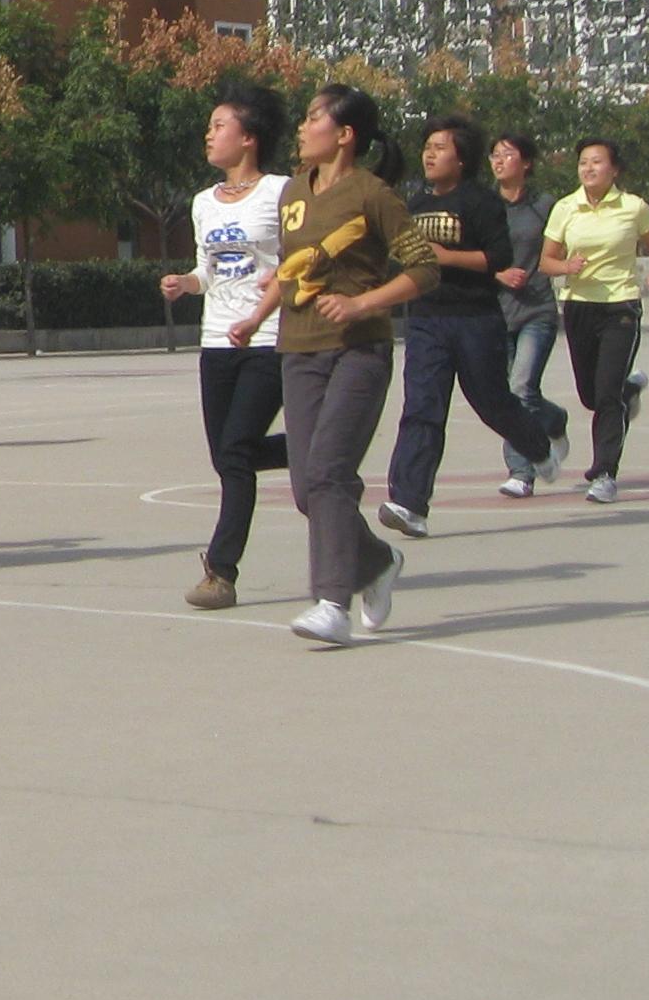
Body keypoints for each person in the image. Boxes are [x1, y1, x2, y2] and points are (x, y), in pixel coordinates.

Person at [227, 85, 439, 647]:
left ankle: (332, 604)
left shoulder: (373, 194)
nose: (302, 127)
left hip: (357, 352)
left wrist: (363, 303)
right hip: (298, 351)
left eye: (313, 117)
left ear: (345, 135)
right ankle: (376, 561)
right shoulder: (294, 191)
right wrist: (256, 317)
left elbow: (424, 268)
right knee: (307, 489)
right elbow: (293, 268)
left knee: (328, 474)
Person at [381, 116, 567, 538]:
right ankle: (410, 503)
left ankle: (538, 447)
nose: (430, 155)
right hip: (426, 319)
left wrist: (445, 257)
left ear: (461, 158)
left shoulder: (481, 202)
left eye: (440, 147)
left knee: (492, 402)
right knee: (422, 408)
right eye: (427, 147)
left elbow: (498, 258)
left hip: (475, 319)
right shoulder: (416, 204)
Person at [157, 86, 294, 608]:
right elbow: (207, 271)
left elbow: (301, 256)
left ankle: (221, 571)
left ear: (249, 137)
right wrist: (185, 283)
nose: (209, 135)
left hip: (269, 337)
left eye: (219, 126)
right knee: (228, 456)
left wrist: (279, 284)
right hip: (216, 340)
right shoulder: (202, 203)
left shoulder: (281, 191)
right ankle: (310, 446)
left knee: (236, 452)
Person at [542, 138, 649, 506]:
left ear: (614, 169)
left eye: (597, 162)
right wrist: (565, 266)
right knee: (590, 395)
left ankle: (604, 474)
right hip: (579, 307)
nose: (588, 168)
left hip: (620, 306)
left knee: (606, 397)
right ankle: (629, 391)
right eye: (583, 162)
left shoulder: (633, 207)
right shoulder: (565, 208)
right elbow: (546, 261)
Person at [492, 135, 567, 502]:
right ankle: (553, 420)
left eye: (507, 154)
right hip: (496, 312)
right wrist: (498, 274)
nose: (499, 160)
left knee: (519, 389)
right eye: (494, 154)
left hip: (537, 310)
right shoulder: (485, 205)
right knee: (511, 396)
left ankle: (521, 473)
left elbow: (559, 249)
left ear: (526, 163)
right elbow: (472, 254)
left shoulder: (545, 206)